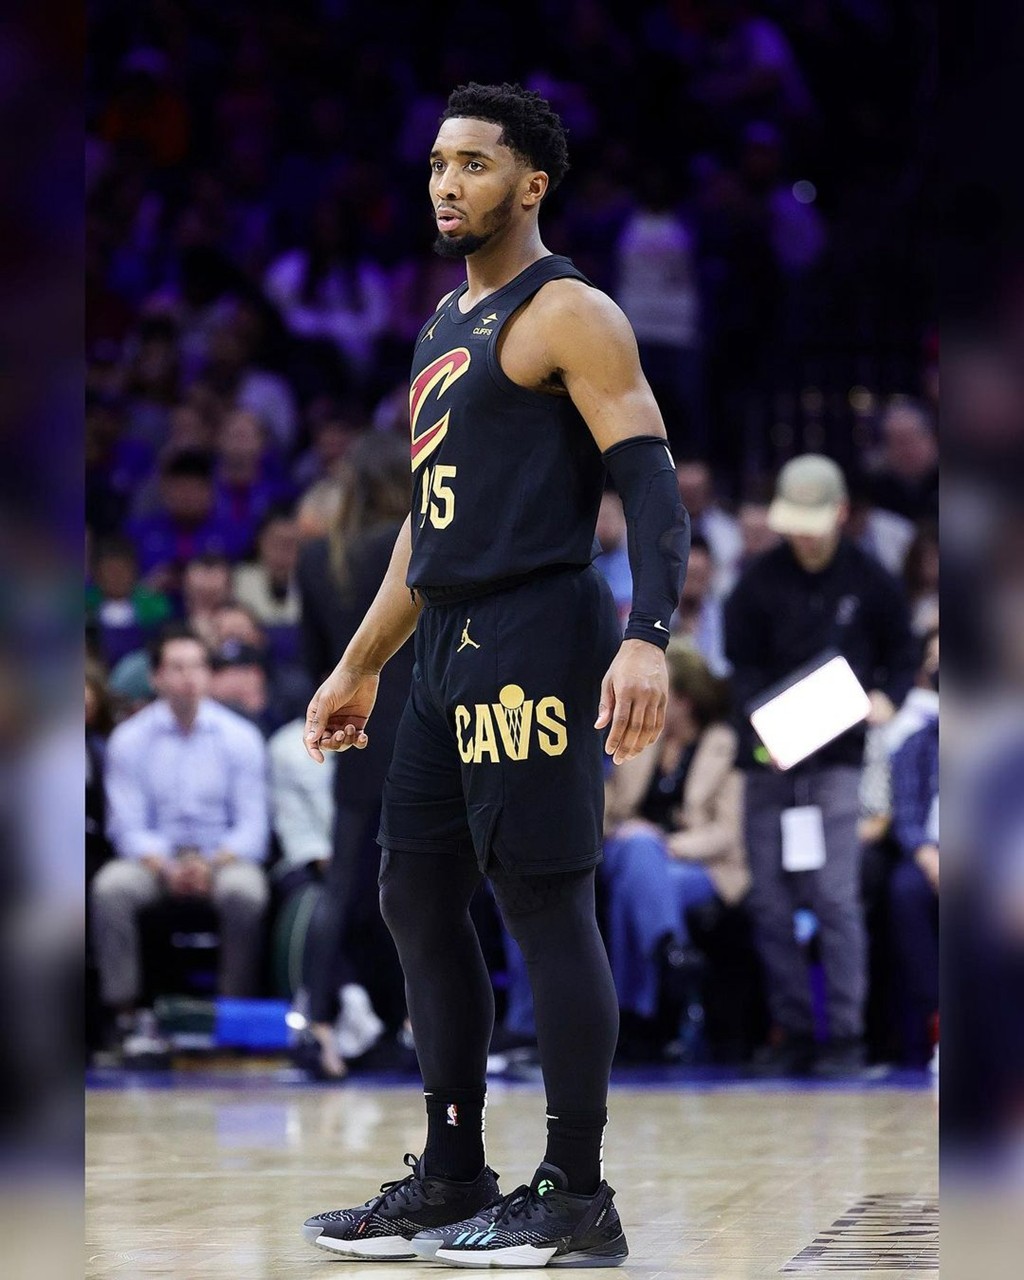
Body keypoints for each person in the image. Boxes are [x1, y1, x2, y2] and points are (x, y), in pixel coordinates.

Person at [300, 82, 689, 1268]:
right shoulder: (440, 322)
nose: (445, 183)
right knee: (414, 893)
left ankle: (575, 1191)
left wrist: (647, 634)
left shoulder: (570, 312)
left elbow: (652, 484)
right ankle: (452, 1169)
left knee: (541, 899)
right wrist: (358, 662)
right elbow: (426, 529)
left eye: (472, 163)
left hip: (536, 629)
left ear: (530, 184)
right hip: (442, 644)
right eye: (436, 163)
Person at [724, 454, 918, 1077]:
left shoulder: (871, 579)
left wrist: (889, 695)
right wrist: (765, 729)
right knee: (770, 904)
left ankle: (846, 1037)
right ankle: (795, 1032)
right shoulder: (756, 584)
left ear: (839, 513)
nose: (803, 537)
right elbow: (741, 671)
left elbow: (903, 651)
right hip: (769, 762)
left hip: (837, 762)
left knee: (835, 899)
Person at [91, 625, 270, 1040]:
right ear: (156, 677)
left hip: (222, 859)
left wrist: (210, 864)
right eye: (177, 667)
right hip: (154, 862)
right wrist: (168, 867)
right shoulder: (129, 739)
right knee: (110, 888)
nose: (189, 677)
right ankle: (124, 1014)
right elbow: (126, 827)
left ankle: (232, 1013)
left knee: (246, 891)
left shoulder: (240, 737)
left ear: (208, 674)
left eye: (197, 666)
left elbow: (253, 828)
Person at [602, 642, 747, 1045]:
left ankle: (635, 1019)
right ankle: (671, 949)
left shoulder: (723, 744)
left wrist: (666, 843)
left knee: (633, 886)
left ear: (684, 700)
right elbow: (607, 806)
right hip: (628, 850)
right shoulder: (641, 737)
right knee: (637, 860)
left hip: (698, 863)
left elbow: (728, 832)